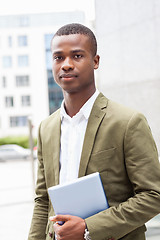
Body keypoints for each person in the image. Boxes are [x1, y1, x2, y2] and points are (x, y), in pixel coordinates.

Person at [28, 23, 160, 240]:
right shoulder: (46, 128)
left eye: (77, 56)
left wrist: (89, 227)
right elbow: (43, 200)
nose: (66, 65)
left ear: (95, 61)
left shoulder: (127, 122)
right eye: (58, 57)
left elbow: (154, 195)